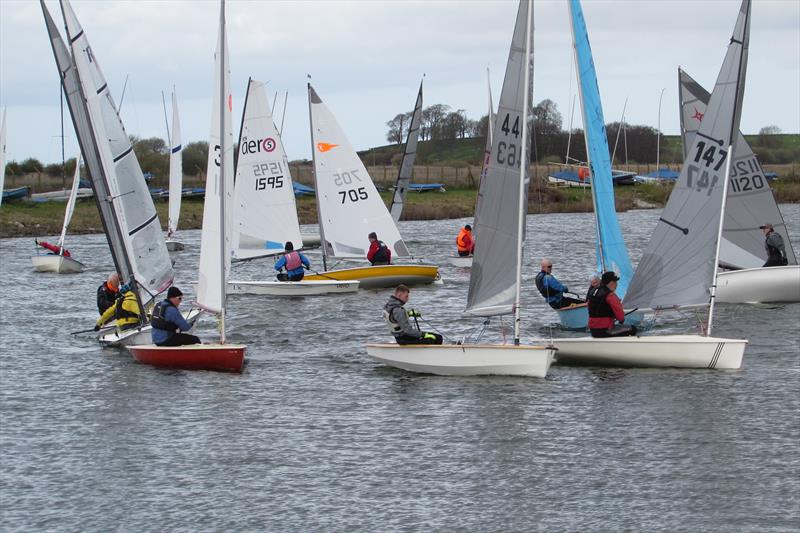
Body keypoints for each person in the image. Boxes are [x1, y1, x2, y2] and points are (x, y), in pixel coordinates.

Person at [587, 271, 636, 338]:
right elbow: (620, 316)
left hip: (593, 331)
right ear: (611, 283)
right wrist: (621, 320)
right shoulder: (610, 295)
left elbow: (589, 307)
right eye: (615, 282)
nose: (616, 285)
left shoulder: (593, 291)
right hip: (606, 331)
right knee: (633, 329)